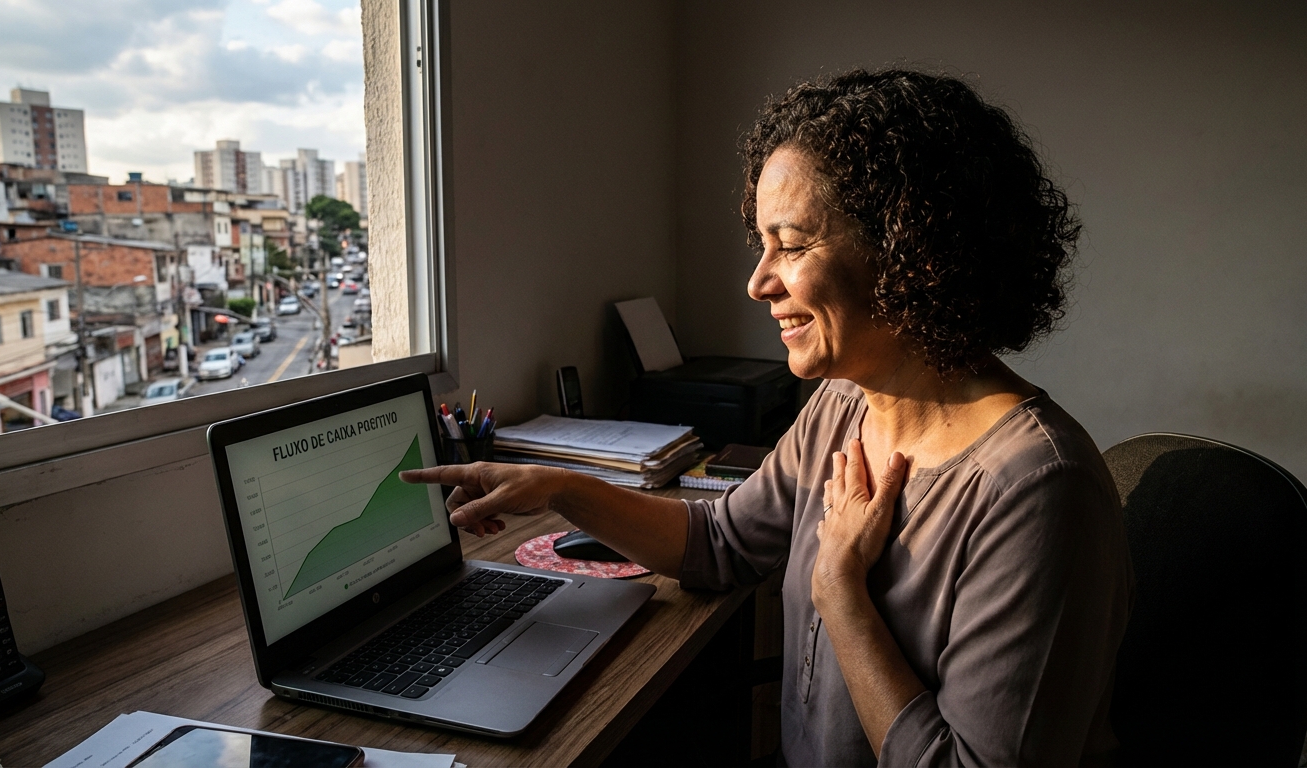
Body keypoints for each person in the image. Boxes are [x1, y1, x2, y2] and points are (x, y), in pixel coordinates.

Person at [402, 69, 1133, 767]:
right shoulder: (842, 404)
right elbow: (721, 542)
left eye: (793, 245)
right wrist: (559, 488)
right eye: (762, 245)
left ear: (912, 253)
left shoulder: (1037, 489)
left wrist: (840, 592)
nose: (758, 282)